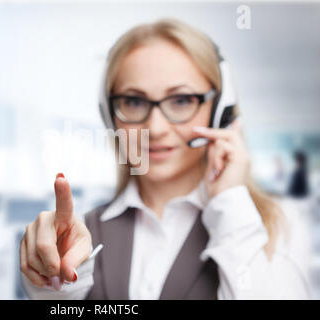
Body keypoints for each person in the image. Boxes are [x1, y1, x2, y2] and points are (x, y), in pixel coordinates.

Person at [20, 18, 311, 299]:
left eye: (182, 100)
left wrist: (230, 202)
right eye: (133, 102)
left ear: (220, 111)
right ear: (110, 115)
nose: (156, 129)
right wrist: (51, 281)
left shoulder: (276, 223)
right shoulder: (81, 235)